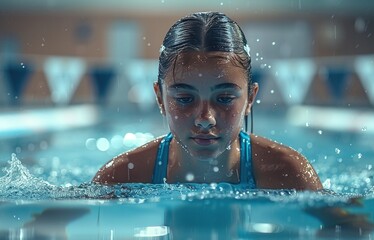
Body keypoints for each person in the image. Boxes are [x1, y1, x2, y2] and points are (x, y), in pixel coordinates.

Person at [92, 11, 322, 190]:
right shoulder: (122, 177)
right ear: (160, 98)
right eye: (184, 98)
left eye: (224, 98)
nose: (205, 119)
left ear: (250, 98)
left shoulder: (288, 174)